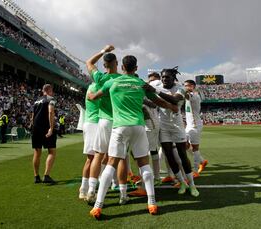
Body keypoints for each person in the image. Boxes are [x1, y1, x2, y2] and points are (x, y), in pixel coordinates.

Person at [89, 55, 178, 219]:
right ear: (136, 68)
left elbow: (93, 97)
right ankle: (152, 203)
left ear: (122, 67)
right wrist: (172, 107)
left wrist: (91, 96)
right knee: (144, 164)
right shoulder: (141, 84)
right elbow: (158, 102)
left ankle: (98, 206)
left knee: (111, 165)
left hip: (120, 127)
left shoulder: (111, 82)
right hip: (138, 127)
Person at [144, 67, 199, 197]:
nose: (164, 79)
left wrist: (155, 91)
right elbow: (151, 98)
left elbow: (174, 100)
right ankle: (182, 183)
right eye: (162, 77)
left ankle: (191, 184)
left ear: (173, 78)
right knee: (169, 155)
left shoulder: (180, 88)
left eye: (167, 77)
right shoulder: (158, 86)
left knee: (182, 155)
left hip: (177, 125)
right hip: (163, 126)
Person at [85, 45, 126, 203]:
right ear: (117, 63)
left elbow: (89, 62)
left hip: (103, 121)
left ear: (104, 65)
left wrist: (103, 51)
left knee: (98, 155)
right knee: (121, 157)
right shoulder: (121, 79)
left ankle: (91, 190)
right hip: (118, 121)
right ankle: (122, 193)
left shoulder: (100, 78)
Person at [31, 84, 57, 184]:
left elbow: (32, 115)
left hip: (35, 128)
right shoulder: (51, 99)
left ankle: (36, 177)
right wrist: (51, 128)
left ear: (43, 91)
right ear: (50, 90)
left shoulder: (36, 101)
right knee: (52, 151)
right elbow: (51, 112)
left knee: (37, 153)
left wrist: (33, 127)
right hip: (46, 128)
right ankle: (46, 175)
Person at [78, 81, 100, 200]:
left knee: (95, 158)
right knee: (92, 158)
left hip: (92, 123)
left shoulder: (92, 86)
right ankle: (84, 188)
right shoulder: (96, 86)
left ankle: (89, 186)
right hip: (94, 124)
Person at [184, 80, 208, 175]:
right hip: (189, 125)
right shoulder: (191, 94)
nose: (185, 87)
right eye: (184, 85)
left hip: (195, 125)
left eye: (187, 85)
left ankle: (195, 170)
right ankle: (202, 161)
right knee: (184, 145)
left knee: (195, 148)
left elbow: (185, 95)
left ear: (193, 86)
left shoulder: (195, 95)